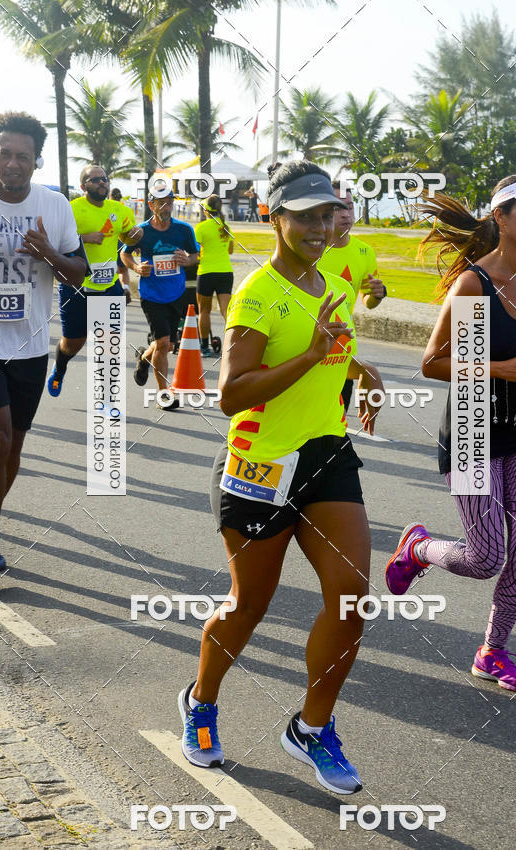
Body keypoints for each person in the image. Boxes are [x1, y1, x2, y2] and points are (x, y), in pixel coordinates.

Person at [177, 160, 385, 794]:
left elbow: (334, 352)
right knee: (248, 606)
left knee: (352, 598)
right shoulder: (256, 293)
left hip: (325, 454)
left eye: (328, 214)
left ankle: (312, 727)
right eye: (307, 216)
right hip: (258, 465)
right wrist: (313, 354)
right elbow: (231, 393)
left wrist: (359, 373)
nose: (322, 226)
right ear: (275, 217)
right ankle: (202, 702)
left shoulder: (334, 286)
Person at [385, 174, 516, 692]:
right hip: (473, 426)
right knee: (486, 556)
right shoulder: (475, 285)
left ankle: (493, 651)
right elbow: (434, 363)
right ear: (502, 217)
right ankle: (418, 549)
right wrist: (495, 368)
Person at [0, 112, 87, 591]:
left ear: (35, 161)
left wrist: (49, 252)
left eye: (21, 156)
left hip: (29, 346)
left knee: (12, 450)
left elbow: (78, 274)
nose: (11, 163)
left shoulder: (53, 205)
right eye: (4, 152)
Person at [47, 166, 143, 396]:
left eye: (105, 179)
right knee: (73, 342)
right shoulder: (72, 210)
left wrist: (136, 235)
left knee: (109, 347)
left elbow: (127, 235)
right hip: (76, 287)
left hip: (108, 286)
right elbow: (54, 245)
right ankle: (59, 368)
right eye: (95, 180)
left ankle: (107, 400)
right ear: (83, 187)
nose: (102, 182)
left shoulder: (118, 209)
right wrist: (84, 238)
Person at [121, 183, 199, 410]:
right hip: (151, 294)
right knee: (163, 343)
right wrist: (136, 268)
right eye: (162, 203)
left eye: (170, 203)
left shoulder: (184, 230)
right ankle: (164, 394)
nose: (167, 208)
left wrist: (188, 260)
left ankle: (144, 359)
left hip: (176, 293)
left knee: (166, 345)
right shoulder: (140, 232)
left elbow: (195, 254)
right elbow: (124, 255)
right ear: (151, 205)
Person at [318, 182, 387, 411]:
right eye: (338, 208)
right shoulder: (312, 247)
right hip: (308, 349)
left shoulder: (365, 251)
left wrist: (377, 295)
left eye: (349, 207)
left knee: (337, 425)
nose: (346, 214)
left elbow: (367, 302)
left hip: (344, 352)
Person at [194, 194, 234, 357]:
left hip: (206, 272)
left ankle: (204, 347)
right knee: (227, 311)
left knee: (204, 310)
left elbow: (194, 251)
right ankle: (233, 344)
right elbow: (230, 250)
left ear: (206, 211)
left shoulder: (201, 227)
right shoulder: (226, 227)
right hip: (226, 272)